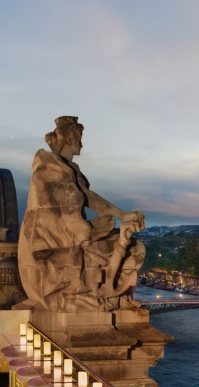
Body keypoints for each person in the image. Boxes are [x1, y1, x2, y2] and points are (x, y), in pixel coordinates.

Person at [18, 116, 145, 312]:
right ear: (69, 139)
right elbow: (69, 220)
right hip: (57, 250)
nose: (82, 145)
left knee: (131, 246)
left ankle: (117, 297)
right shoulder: (53, 170)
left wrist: (122, 215)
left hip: (68, 242)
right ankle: (110, 298)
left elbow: (86, 197)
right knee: (133, 249)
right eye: (80, 138)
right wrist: (96, 229)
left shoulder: (65, 169)